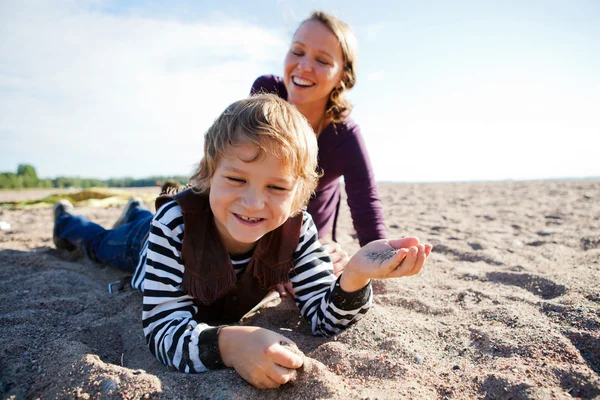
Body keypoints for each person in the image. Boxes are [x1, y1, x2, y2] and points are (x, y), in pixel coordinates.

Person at [52, 94, 432, 389]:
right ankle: (69, 218)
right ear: (207, 174)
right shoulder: (174, 225)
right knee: (102, 243)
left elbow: (321, 317)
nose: (253, 203)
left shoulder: (297, 230)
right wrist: (231, 346)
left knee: (131, 224)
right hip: (145, 247)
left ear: (300, 194)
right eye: (236, 179)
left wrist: (353, 276)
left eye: (276, 187)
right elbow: (162, 328)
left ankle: (134, 211)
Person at [251, 11, 385, 276]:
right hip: (258, 225)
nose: (304, 66)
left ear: (343, 78)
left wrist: (385, 257)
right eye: (297, 52)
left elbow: (366, 206)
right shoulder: (266, 94)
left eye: (322, 60)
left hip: (311, 236)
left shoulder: (344, 135)